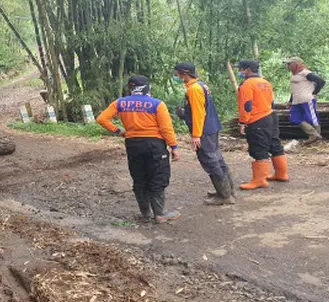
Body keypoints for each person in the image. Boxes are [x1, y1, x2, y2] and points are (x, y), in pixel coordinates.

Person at [97, 75, 182, 223]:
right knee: (158, 177)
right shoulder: (157, 104)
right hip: (154, 145)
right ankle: (160, 214)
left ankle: (145, 214)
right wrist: (173, 146)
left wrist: (119, 131)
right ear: (147, 87)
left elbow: (102, 119)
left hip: (133, 144)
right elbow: (166, 128)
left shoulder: (120, 103)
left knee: (139, 178)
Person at [173, 62, 235, 205]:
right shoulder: (200, 85)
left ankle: (225, 196)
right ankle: (227, 190)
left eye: (177, 74)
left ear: (185, 73)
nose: (176, 76)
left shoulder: (194, 89)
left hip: (204, 131)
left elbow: (199, 113)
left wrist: (196, 135)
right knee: (217, 159)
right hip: (211, 127)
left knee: (210, 161)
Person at [236, 60, 288, 189]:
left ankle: (260, 180)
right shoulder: (266, 83)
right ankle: (281, 174)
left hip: (256, 119)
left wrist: (243, 122)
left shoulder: (247, 84)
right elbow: (272, 103)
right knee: (274, 144)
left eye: (240, 69)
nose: (239, 72)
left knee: (258, 148)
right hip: (270, 116)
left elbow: (246, 105)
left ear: (247, 70)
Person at [285, 57, 326, 146]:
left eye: (289, 64)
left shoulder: (306, 73)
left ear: (296, 64)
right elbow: (294, 90)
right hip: (296, 101)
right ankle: (314, 135)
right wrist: (290, 100)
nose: (287, 66)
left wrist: (314, 92)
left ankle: (316, 138)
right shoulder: (294, 75)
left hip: (307, 99)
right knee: (295, 118)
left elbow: (321, 81)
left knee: (312, 118)